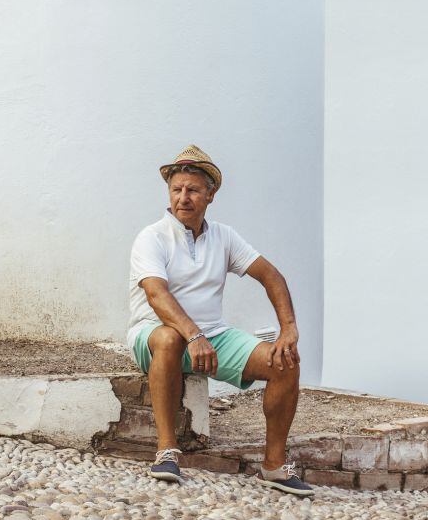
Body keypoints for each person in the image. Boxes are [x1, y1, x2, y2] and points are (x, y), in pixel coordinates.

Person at [127, 145, 312, 496]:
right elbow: (156, 295)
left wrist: (289, 329)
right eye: (177, 189)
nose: (183, 198)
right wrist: (193, 334)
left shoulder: (224, 236)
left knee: (284, 363)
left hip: (212, 336)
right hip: (155, 334)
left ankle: (273, 465)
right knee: (170, 338)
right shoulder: (151, 237)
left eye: (193, 190)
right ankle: (167, 451)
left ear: (210, 195)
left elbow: (271, 276)